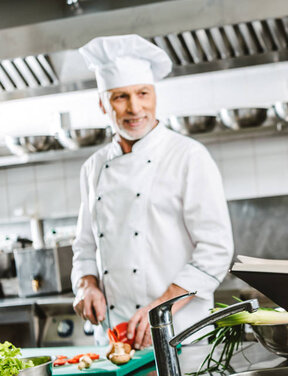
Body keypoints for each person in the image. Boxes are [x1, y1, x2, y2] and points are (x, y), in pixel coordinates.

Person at [71, 34, 234, 349]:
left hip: (182, 336)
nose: (135, 108)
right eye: (120, 97)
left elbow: (215, 250)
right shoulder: (93, 167)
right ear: (102, 103)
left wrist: (161, 309)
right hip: (116, 341)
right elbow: (84, 247)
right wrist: (86, 285)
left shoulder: (188, 156)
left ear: (154, 95)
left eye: (142, 93)